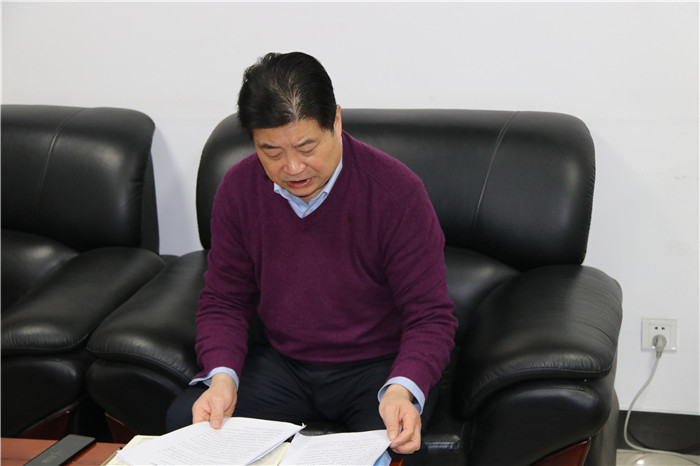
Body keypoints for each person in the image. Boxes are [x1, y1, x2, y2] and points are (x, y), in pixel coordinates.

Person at [166, 51, 458, 458]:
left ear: (335, 121)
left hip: (376, 367)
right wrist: (222, 378)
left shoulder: (396, 193)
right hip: (283, 364)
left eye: (306, 147)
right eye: (271, 151)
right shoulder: (238, 188)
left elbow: (430, 316)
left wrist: (401, 389)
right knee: (188, 423)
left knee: (390, 447)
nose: (292, 167)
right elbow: (225, 301)